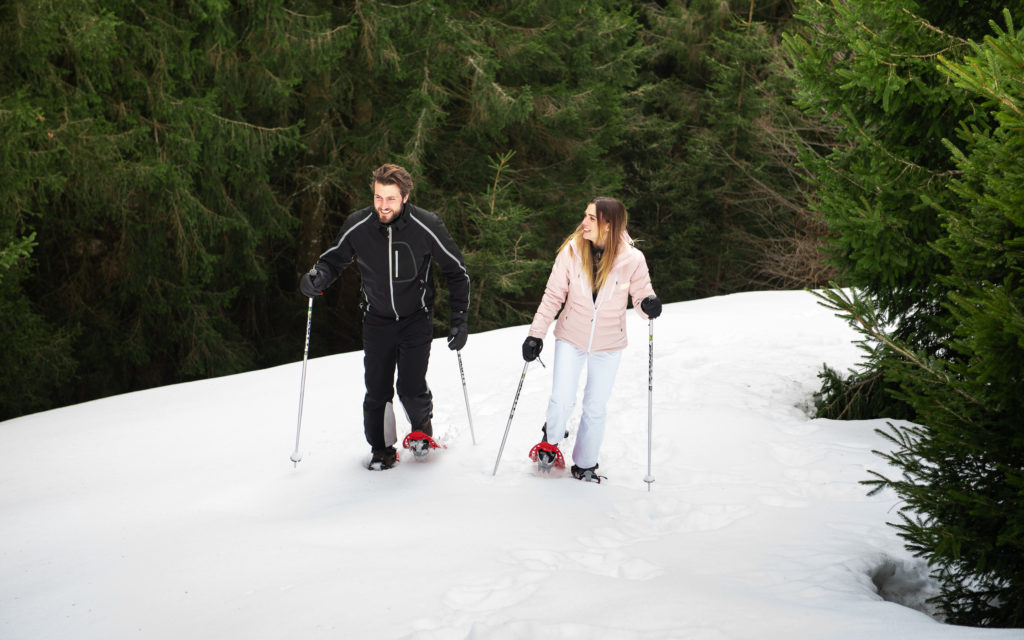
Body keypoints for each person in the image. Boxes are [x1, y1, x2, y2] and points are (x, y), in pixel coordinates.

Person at [299, 164, 470, 470]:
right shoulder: (359, 225)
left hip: (416, 318)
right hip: (376, 320)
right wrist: (318, 277)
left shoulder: (426, 225)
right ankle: (382, 449)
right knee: (377, 389)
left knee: (410, 385)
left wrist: (459, 317)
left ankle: (421, 432)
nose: (383, 206)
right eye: (378, 197)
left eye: (390, 198)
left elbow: (456, 271)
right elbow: (334, 259)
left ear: (405, 197)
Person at [522, 197, 661, 482]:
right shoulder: (571, 252)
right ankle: (550, 441)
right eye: (585, 216)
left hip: (609, 343)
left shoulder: (632, 260)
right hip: (571, 335)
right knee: (562, 398)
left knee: (595, 406)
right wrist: (536, 334)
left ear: (609, 225)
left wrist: (649, 304)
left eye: (592, 218)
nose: (584, 223)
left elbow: (641, 295)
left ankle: (585, 463)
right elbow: (553, 296)